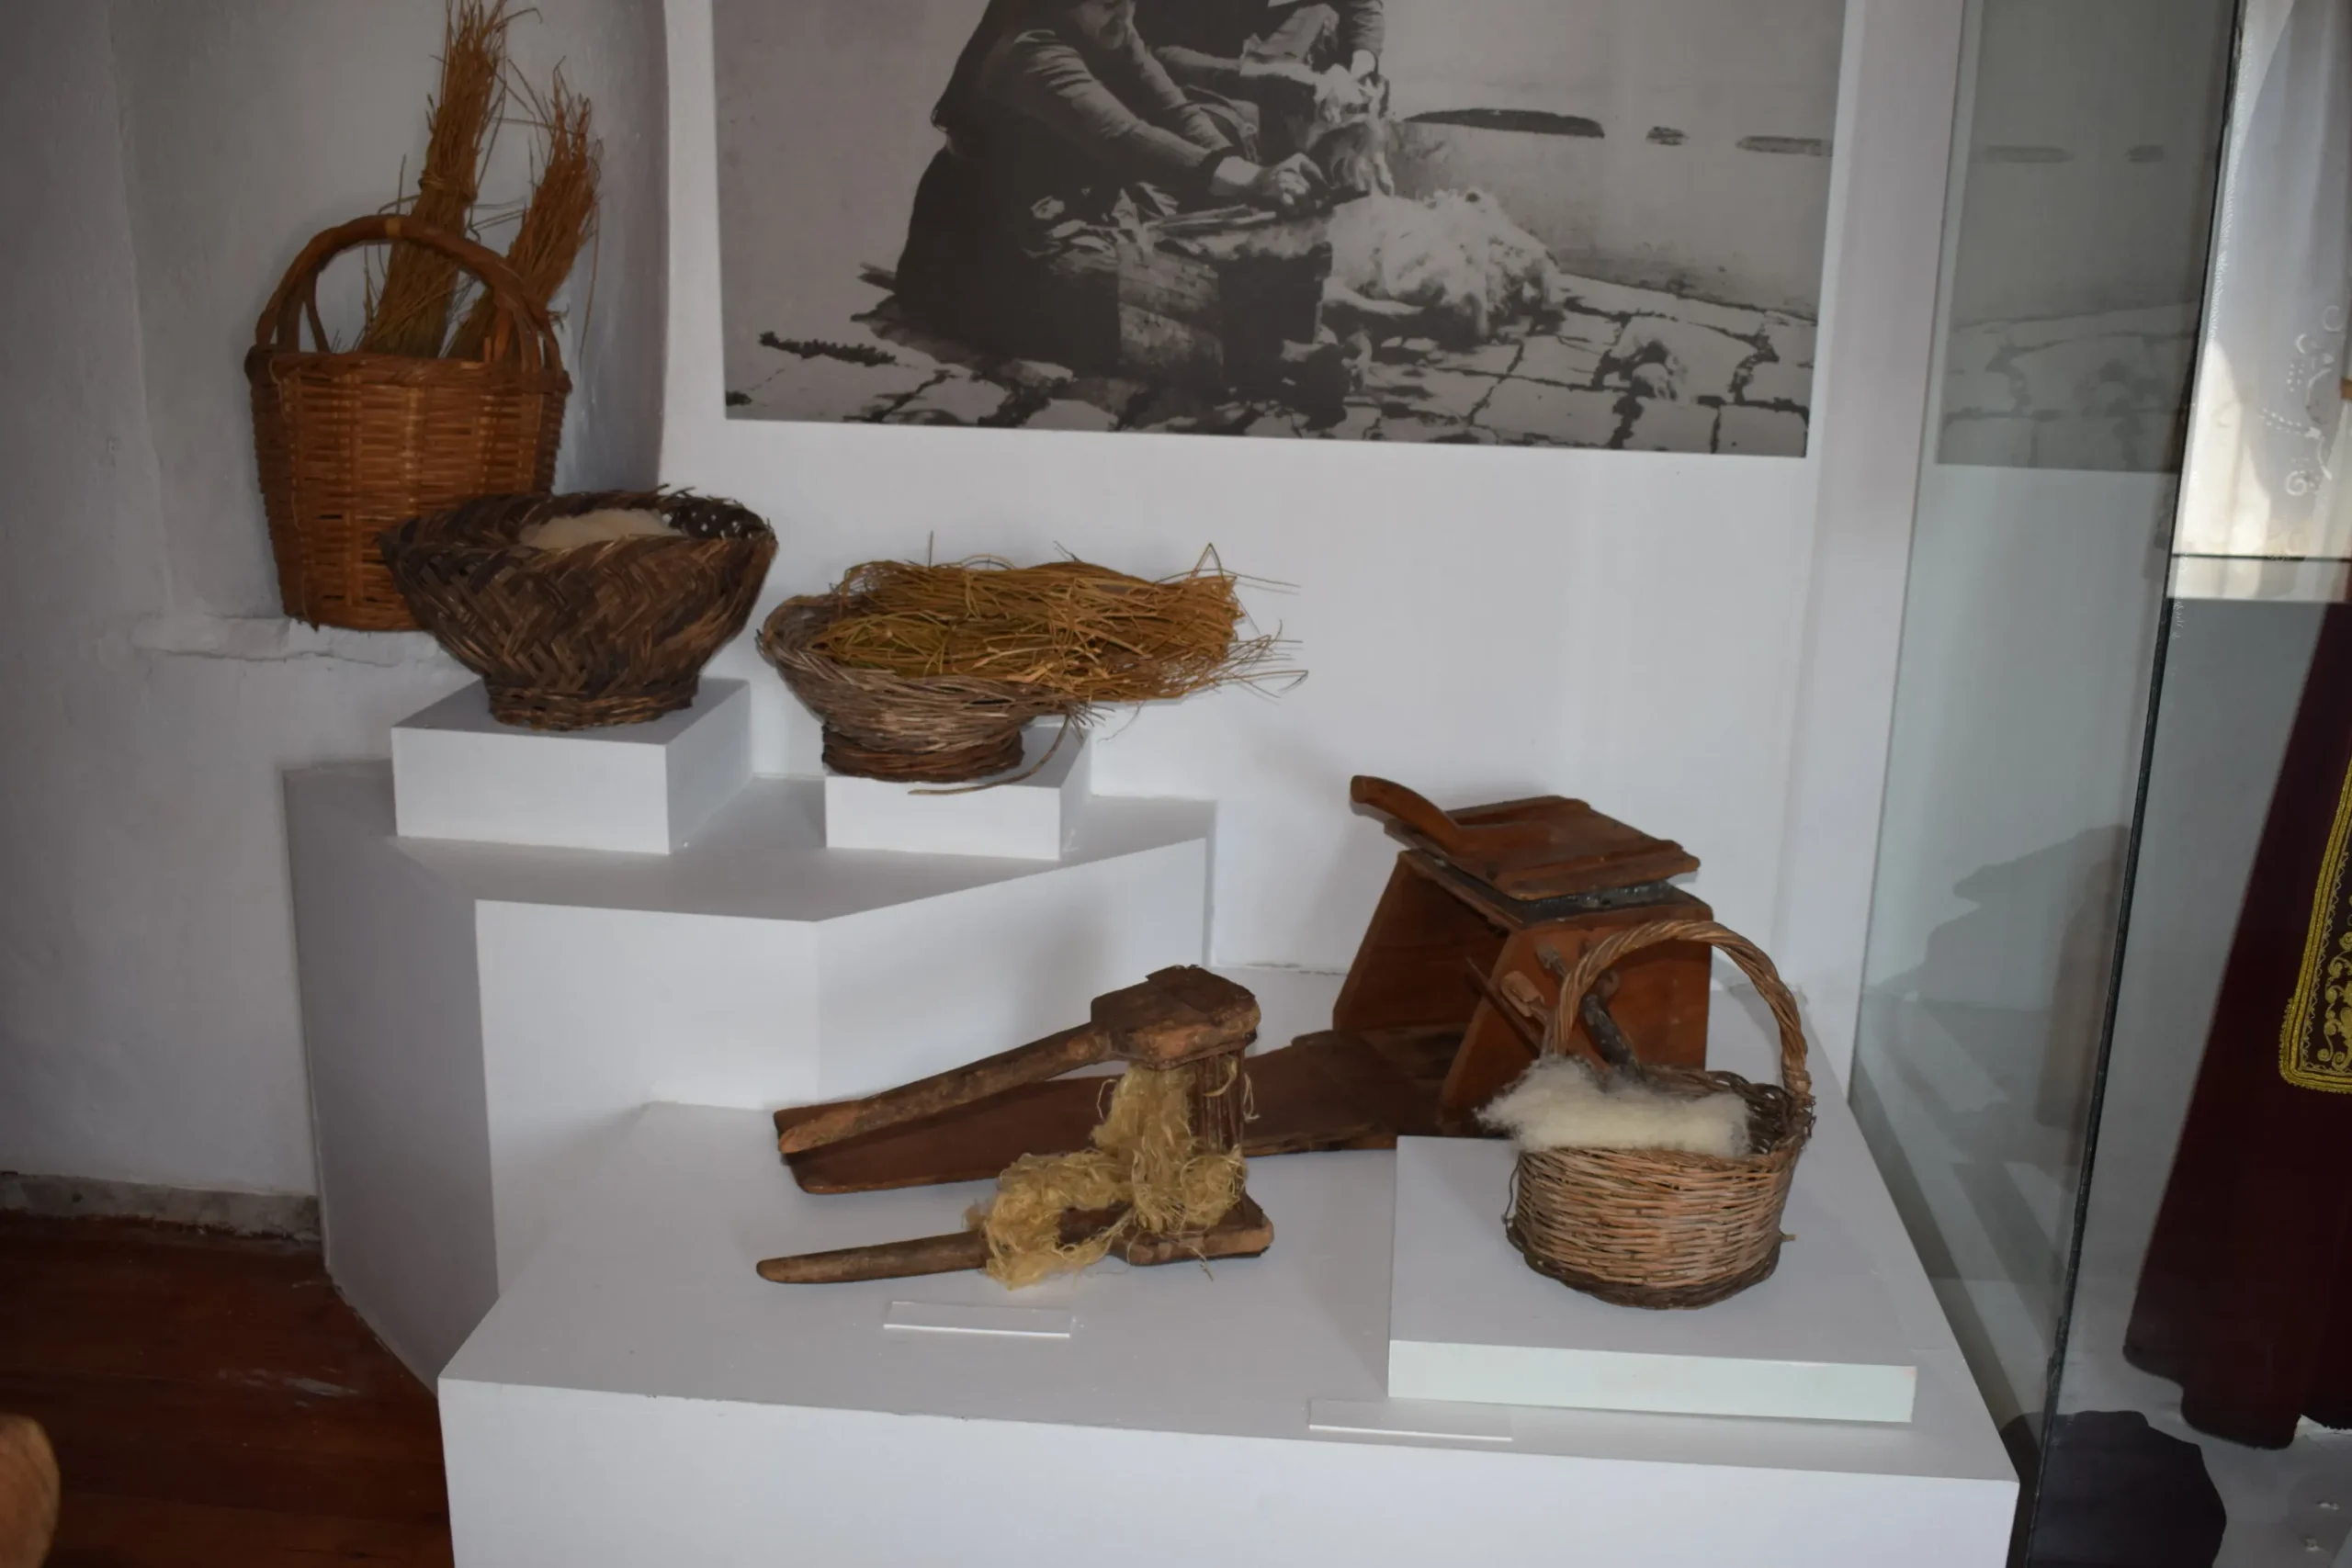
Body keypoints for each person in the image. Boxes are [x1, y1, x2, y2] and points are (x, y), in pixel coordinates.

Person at [895, 0, 1327, 363]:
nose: (1124, 13)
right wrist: (1255, 179)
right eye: (1107, 3)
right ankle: (1271, 356)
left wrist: (1239, 167)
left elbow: (1175, 112)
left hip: (1071, 221)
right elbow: (1125, 138)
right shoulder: (1028, 50)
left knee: (1230, 289)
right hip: (989, 255)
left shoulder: (1112, 29)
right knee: (1165, 317)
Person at [1134, 0, 1385, 149]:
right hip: (1175, 76)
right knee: (1233, 128)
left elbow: (1361, 6)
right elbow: (1149, 51)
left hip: (1241, 49)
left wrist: (1357, 73)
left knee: (1324, 15)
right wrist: (1256, 76)